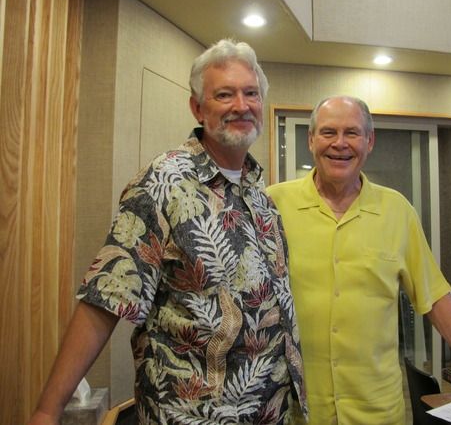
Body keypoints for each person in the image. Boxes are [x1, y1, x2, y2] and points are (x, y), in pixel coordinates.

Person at [29, 39, 307, 425]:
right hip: (191, 415)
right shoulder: (164, 182)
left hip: (271, 413)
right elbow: (105, 299)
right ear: (197, 107)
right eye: (224, 94)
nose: (241, 105)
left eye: (251, 93)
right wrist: (47, 410)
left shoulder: (260, 197)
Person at [266, 95, 451, 424]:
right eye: (328, 132)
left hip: (376, 408)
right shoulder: (273, 204)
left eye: (352, 133)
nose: (340, 143)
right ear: (311, 140)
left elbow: (432, 293)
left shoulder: (397, 210)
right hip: (298, 407)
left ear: (369, 141)